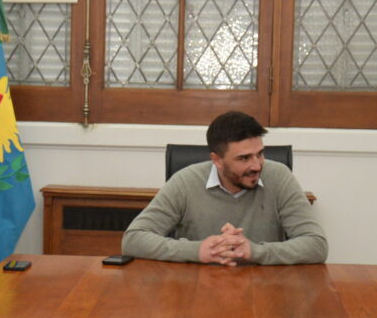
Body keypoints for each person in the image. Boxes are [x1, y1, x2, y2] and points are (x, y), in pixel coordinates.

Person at [122, 111, 327, 265]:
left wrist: (253, 251)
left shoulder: (279, 177)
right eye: (244, 158)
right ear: (217, 160)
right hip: (196, 290)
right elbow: (133, 239)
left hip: (264, 290)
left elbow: (316, 245)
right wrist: (197, 250)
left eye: (260, 154)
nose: (256, 166)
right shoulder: (185, 181)